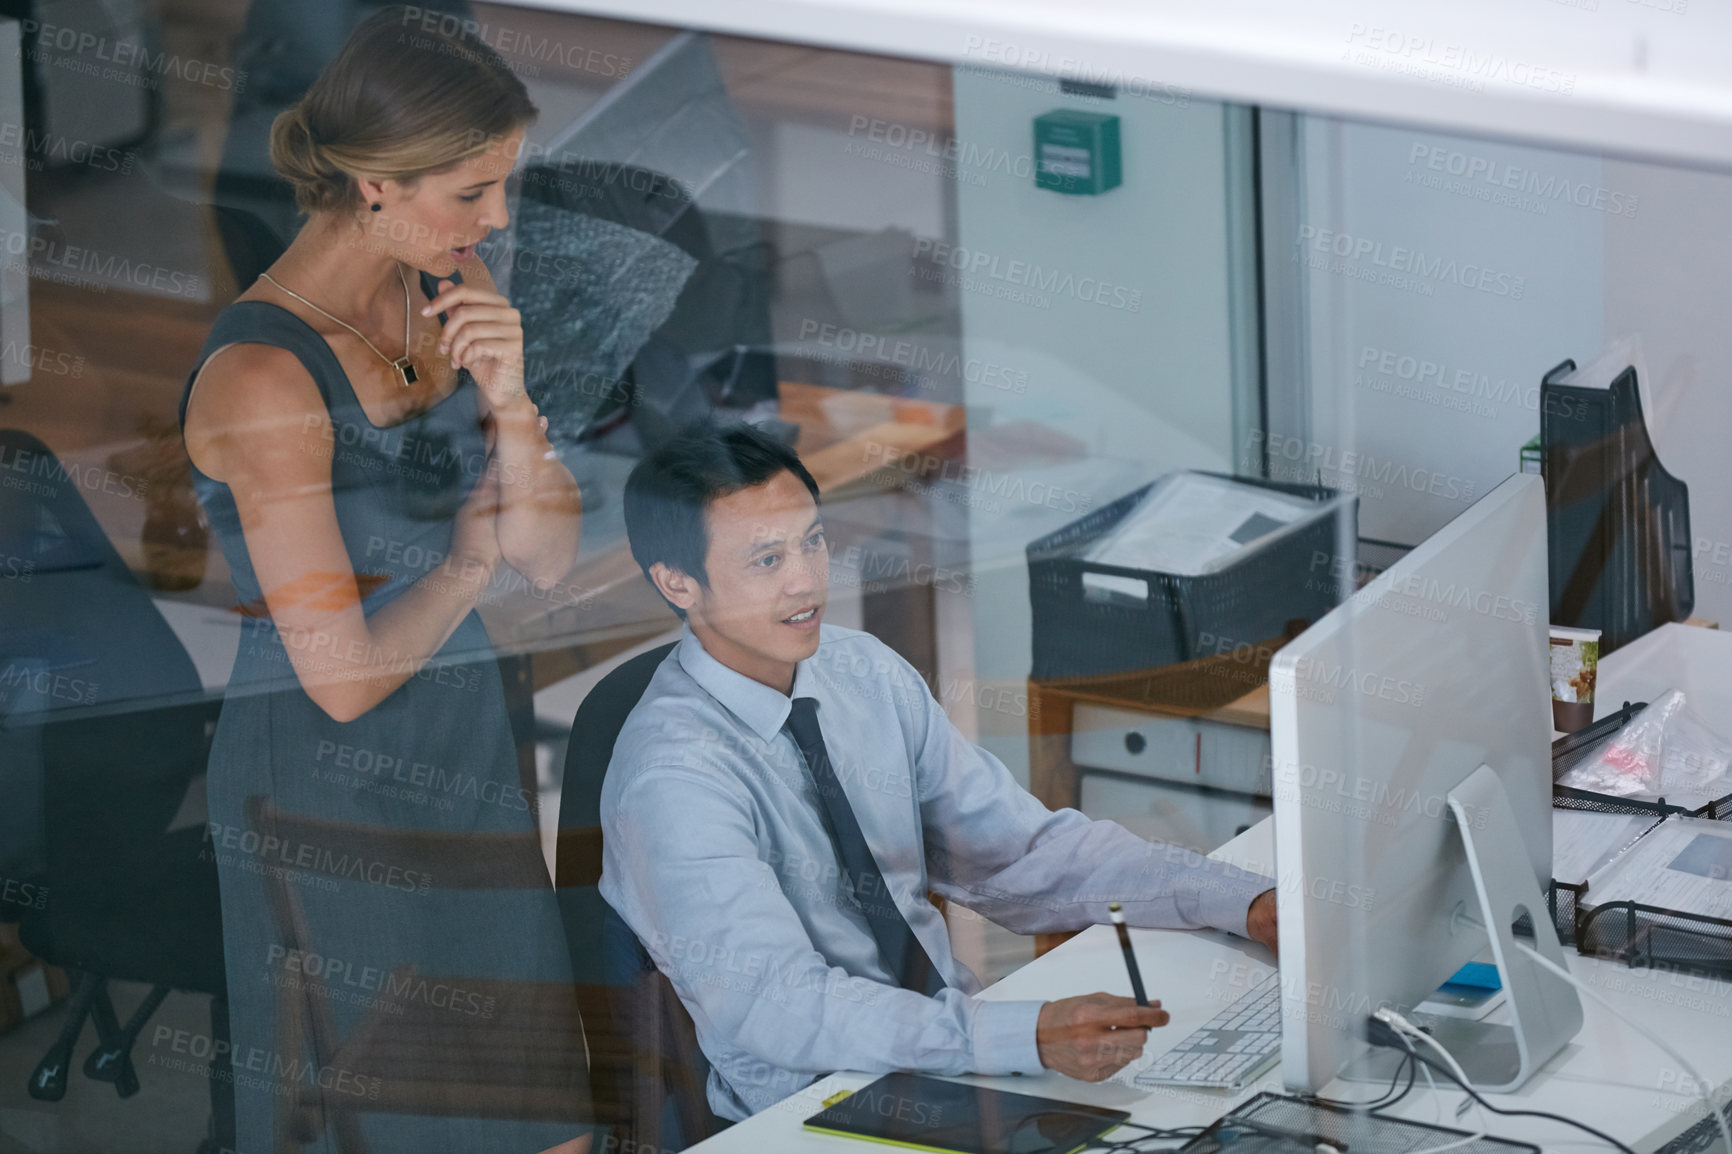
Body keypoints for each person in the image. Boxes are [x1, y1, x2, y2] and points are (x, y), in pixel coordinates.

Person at [601, 420, 1279, 1121]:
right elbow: (782, 1005)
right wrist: (1019, 1035)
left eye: (812, 540)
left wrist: (1245, 904)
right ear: (678, 583)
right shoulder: (673, 779)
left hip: (955, 1055)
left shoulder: (860, 671)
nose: (807, 581)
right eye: (766, 561)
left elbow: (1024, 854)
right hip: (813, 1104)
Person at [179, 10, 587, 1152]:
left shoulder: (448, 278)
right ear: (371, 183)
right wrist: (467, 558)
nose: (495, 218)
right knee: (400, 1122)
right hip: (327, 786)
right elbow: (345, 683)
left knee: (545, 1120)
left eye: (501, 185)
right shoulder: (264, 378)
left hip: (466, 740)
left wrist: (509, 398)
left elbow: (547, 554)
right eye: (470, 191)